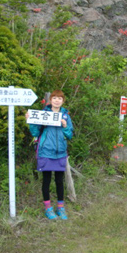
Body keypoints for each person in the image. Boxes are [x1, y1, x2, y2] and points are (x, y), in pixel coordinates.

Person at [26, 90, 74, 220]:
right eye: (55, 98)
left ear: (63, 101)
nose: (57, 100)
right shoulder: (43, 114)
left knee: (59, 181)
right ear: (50, 100)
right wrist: (31, 121)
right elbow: (35, 133)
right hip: (45, 152)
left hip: (60, 153)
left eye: (60, 98)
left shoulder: (65, 116)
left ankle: (61, 208)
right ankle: (48, 208)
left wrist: (65, 126)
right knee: (46, 181)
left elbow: (70, 135)